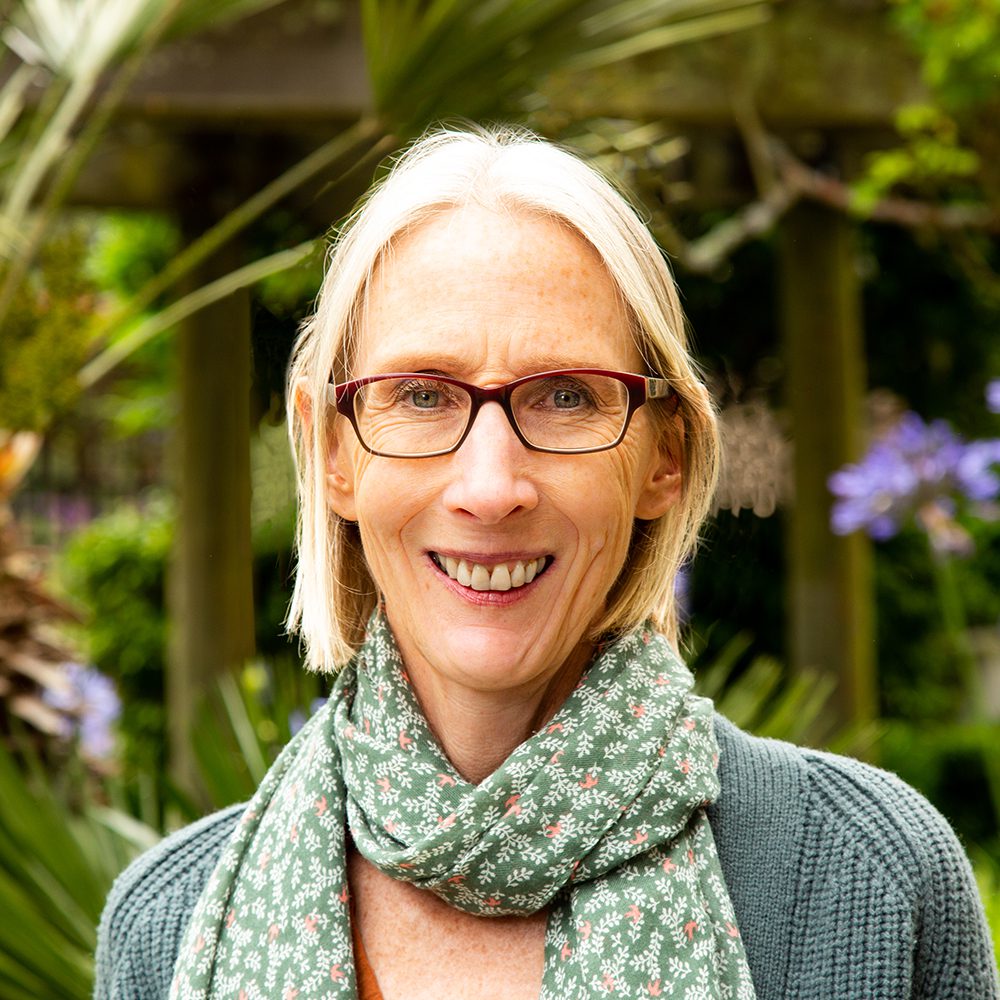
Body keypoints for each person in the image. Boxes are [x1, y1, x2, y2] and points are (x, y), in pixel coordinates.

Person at [95, 126, 999, 1000]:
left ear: (665, 455)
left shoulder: (871, 878)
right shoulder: (168, 930)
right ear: (332, 452)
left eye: (567, 396)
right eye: (419, 394)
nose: (491, 487)